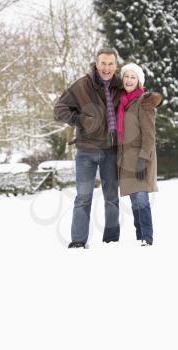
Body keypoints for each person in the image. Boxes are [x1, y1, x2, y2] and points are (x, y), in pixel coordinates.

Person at [54, 48, 121, 248]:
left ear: (115, 65)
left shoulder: (119, 86)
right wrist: (80, 119)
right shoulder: (83, 84)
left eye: (110, 64)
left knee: (111, 197)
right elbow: (59, 109)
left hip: (110, 150)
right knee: (83, 197)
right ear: (96, 63)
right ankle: (78, 240)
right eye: (103, 63)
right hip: (86, 151)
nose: (106, 68)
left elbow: (135, 97)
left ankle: (111, 239)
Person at [117, 63, 162, 246]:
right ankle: (139, 235)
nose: (128, 80)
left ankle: (147, 236)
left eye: (132, 77)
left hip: (141, 157)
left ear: (138, 81)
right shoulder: (121, 102)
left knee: (142, 198)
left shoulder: (143, 101)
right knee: (135, 200)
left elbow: (149, 135)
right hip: (126, 158)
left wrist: (143, 159)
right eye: (126, 76)